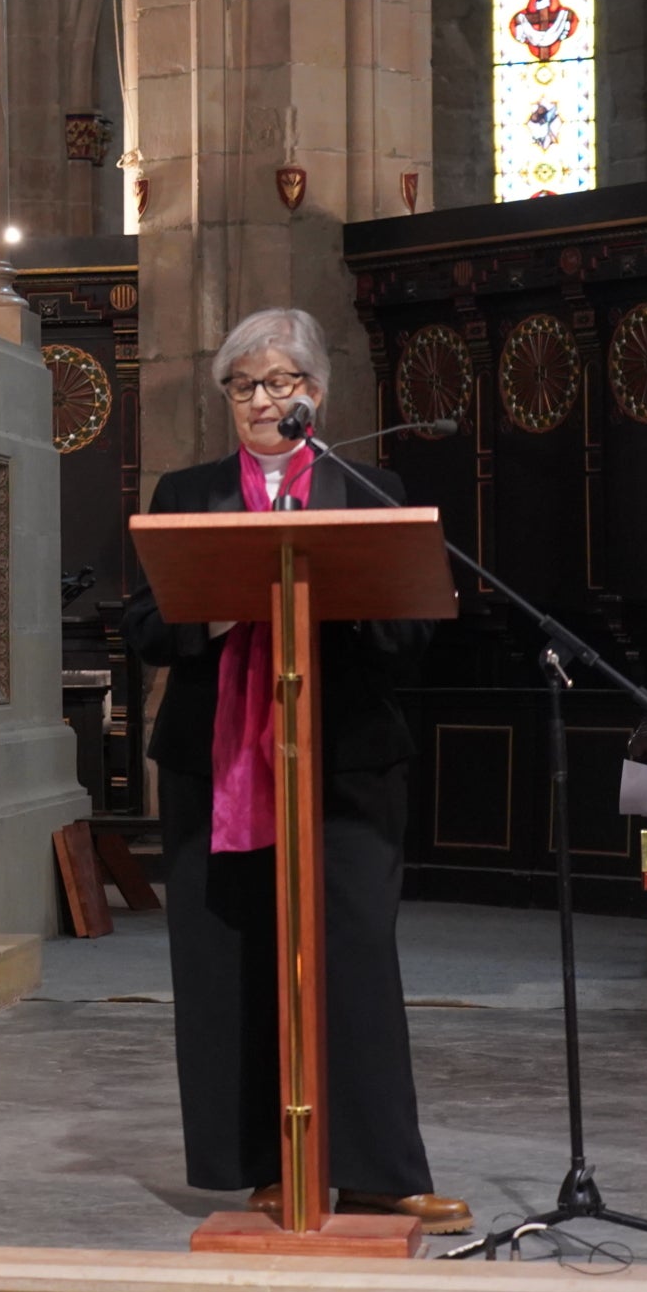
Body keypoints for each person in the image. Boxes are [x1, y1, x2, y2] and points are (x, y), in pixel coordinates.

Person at [119, 307, 469, 1235]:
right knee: (232, 963)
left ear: (317, 394)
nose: (263, 400)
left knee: (351, 957)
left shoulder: (367, 485)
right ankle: (266, 1166)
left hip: (345, 759)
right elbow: (146, 625)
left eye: (282, 382)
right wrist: (223, 608)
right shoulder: (188, 488)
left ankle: (378, 1171)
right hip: (216, 759)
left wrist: (331, 597)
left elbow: (409, 633)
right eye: (244, 385)